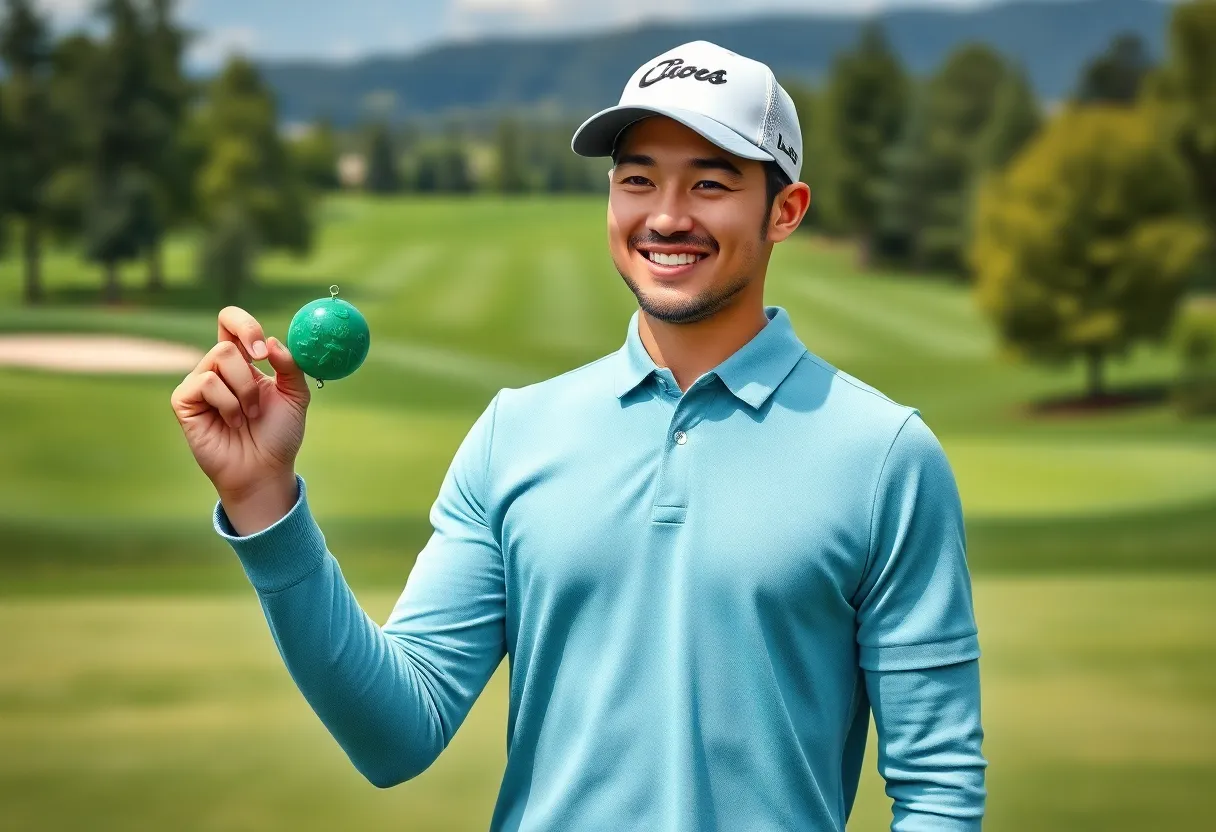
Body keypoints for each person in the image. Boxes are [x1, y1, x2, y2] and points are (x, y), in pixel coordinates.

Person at [170, 40, 986, 832]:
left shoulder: (884, 456)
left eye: (709, 183)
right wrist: (262, 500)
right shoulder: (514, 434)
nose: (666, 216)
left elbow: (939, 786)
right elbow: (396, 734)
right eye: (637, 180)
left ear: (786, 210)